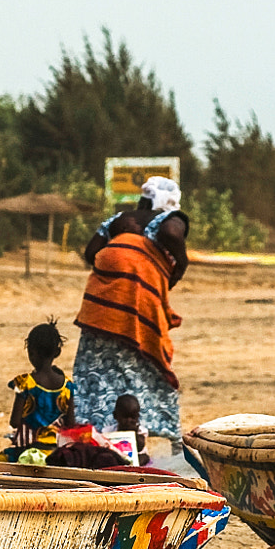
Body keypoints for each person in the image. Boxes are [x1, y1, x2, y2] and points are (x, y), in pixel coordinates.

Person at [72, 176, 188, 445]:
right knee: (146, 367)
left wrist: (120, 254)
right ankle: (152, 430)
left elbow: (91, 252)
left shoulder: (120, 219)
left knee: (98, 370)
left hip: (101, 307)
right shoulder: (170, 218)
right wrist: (180, 264)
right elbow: (172, 233)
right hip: (136, 307)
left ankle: (96, 431)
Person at [0, 321, 76, 462]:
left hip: (27, 451)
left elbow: (14, 422)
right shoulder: (68, 386)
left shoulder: (25, 383)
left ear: (31, 352)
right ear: (57, 352)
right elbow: (70, 424)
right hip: (56, 453)